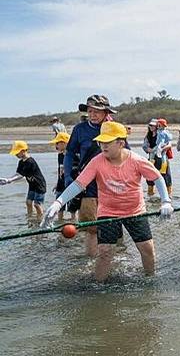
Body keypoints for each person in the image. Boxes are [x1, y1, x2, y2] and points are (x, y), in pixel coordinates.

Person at [42, 122, 174, 282]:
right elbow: (79, 184)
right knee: (105, 251)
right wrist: (58, 203)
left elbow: (157, 177)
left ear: (121, 142)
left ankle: (150, 280)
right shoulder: (97, 161)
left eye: (107, 142)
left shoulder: (136, 160)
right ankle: (98, 285)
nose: (102, 146)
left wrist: (166, 201)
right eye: (100, 142)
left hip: (135, 211)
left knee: (147, 248)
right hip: (108, 212)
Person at [63, 95, 116, 257]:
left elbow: (125, 154)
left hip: (112, 183)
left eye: (97, 111)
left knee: (114, 223)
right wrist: (67, 176)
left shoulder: (114, 128)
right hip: (88, 184)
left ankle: (115, 256)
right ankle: (91, 261)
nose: (93, 114)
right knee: (91, 227)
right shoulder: (80, 129)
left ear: (106, 112)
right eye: (90, 111)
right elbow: (70, 152)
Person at [0, 141, 46, 219]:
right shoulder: (21, 162)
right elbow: (18, 173)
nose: (15, 154)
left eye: (17, 152)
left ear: (23, 151)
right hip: (32, 185)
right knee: (28, 202)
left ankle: (40, 219)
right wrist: (8, 179)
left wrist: (9, 180)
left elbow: (21, 175)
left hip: (39, 185)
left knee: (37, 204)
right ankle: (30, 217)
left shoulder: (30, 161)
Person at [49, 132, 73, 221]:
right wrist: (57, 183)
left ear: (64, 143)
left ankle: (74, 223)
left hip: (70, 185)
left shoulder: (72, 156)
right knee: (59, 206)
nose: (56, 145)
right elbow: (60, 170)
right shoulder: (60, 155)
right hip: (60, 185)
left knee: (72, 208)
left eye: (57, 143)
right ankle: (60, 223)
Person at [142, 119, 159, 197]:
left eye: (153, 125)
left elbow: (163, 145)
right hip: (151, 159)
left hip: (160, 159)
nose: (151, 127)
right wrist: (151, 150)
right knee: (149, 178)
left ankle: (167, 197)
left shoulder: (160, 134)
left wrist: (153, 150)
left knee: (165, 178)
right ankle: (150, 195)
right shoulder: (148, 135)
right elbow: (144, 146)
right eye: (150, 125)